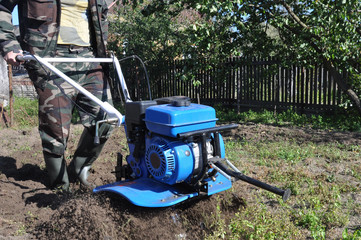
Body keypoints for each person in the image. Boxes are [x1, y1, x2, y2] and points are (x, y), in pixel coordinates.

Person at [0, 0, 114, 191]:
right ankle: (60, 187)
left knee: (106, 117)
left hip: (91, 56)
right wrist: (9, 43)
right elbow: (3, 8)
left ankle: (78, 171)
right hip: (49, 56)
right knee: (56, 127)